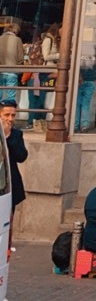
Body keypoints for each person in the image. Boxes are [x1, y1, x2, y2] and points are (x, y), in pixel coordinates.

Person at [0, 99, 28, 250]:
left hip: (9, 186)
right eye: (6, 115)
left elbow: (22, 156)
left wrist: (8, 136)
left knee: (7, 221)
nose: (10, 119)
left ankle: (6, 248)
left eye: (13, 115)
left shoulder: (16, 134)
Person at [0, 24, 24, 102]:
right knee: (11, 97)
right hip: (12, 71)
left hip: (0, 70)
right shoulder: (17, 40)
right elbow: (20, 58)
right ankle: (9, 113)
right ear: (15, 31)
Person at [74, 53, 96, 133]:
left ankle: (74, 125)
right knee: (85, 104)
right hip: (91, 81)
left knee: (76, 104)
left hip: (80, 81)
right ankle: (84, 126)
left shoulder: (78, 53)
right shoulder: (94, 56)